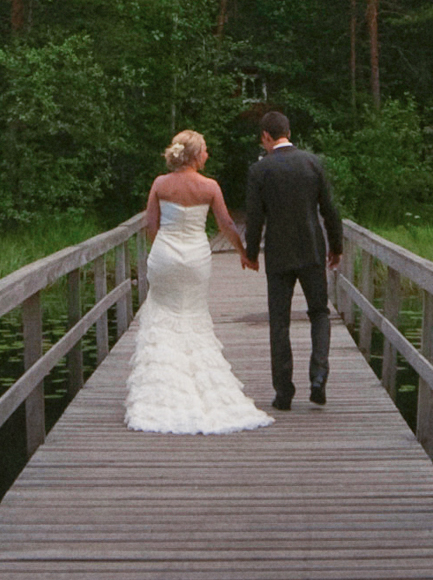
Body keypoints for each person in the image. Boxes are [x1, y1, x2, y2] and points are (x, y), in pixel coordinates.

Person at [122, 130, 271, 434]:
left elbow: (151, 224)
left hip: (165, 254)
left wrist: (161, 247)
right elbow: (226, 224)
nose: (207, 155)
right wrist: (244, 253)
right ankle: (200, 386)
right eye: (204, 151)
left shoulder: (161, 184)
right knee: (192, 314)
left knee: (163, 315)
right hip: (196, 259)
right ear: (194, 155)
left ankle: (162, 389)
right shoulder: (209, 186)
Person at [241, 111, 343, 409]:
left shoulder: (259, 171)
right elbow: (330, 210)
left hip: (279, 253)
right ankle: (319, 374)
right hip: (312, 249)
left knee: (279, 321)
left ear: (266, 137)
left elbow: (255, 216)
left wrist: (250, 254)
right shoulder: (313, 162)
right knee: (320, 312)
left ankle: (284, 392)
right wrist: (335, 246)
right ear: (288, 131)